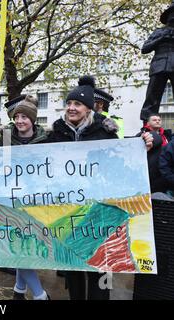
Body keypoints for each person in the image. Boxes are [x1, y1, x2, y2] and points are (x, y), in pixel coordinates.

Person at [47, 75, 153, 300]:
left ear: (88, 108)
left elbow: (123, 159)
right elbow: (34, 159)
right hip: (69, 211)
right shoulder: (56, 132)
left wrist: (149, 142)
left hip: (99, 211)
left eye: (77, 104)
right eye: (69, 104)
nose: (71, 108)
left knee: (100, 266)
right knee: (74, 267)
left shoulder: (105, 133)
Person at [0, 95, 50, 300]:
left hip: (36, 200)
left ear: (33, 119)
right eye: (16, 116)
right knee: (20, 246)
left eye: (24, 117)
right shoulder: (6, 137)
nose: (19, 121)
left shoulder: (45, 139)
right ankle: (40, 295)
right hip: (11, 199)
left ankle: (19, 290)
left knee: (27, 245)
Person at [140, 1, 174, 122]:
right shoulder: (158, 32)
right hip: (159, 66)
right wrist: (161, 39)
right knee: (152, 98)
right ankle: (147, 124)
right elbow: (145, 49)